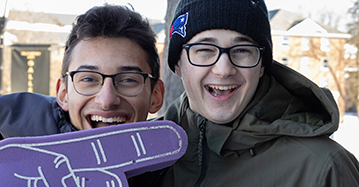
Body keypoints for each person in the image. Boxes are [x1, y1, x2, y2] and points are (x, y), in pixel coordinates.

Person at [132, 0, 359, 186]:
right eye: (204, 50)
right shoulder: (141, 155)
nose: (223, 70)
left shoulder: (323, 169)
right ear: (178, 65)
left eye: (241, 50)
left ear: (262, 66)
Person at [0, 4, 164, 137]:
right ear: (63, 94)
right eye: (88, 79)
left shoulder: (176, 170)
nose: (107, 101)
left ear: (155, 96)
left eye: (128, 80)